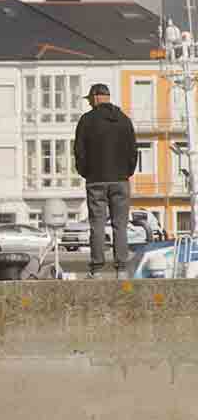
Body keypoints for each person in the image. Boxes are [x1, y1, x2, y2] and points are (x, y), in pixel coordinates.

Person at [74, 82, 137, 279]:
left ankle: (97, 269)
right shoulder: (124, 120)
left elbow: (78, 151)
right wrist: (127, 172)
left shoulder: (86, 120)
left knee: (97, 224)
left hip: (96, 181)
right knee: (120, 225)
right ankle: (122, 269)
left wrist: (86, 172)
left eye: (90, 99)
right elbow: (133, 151)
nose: (90, 103)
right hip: (120, 180)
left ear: (94, 97)